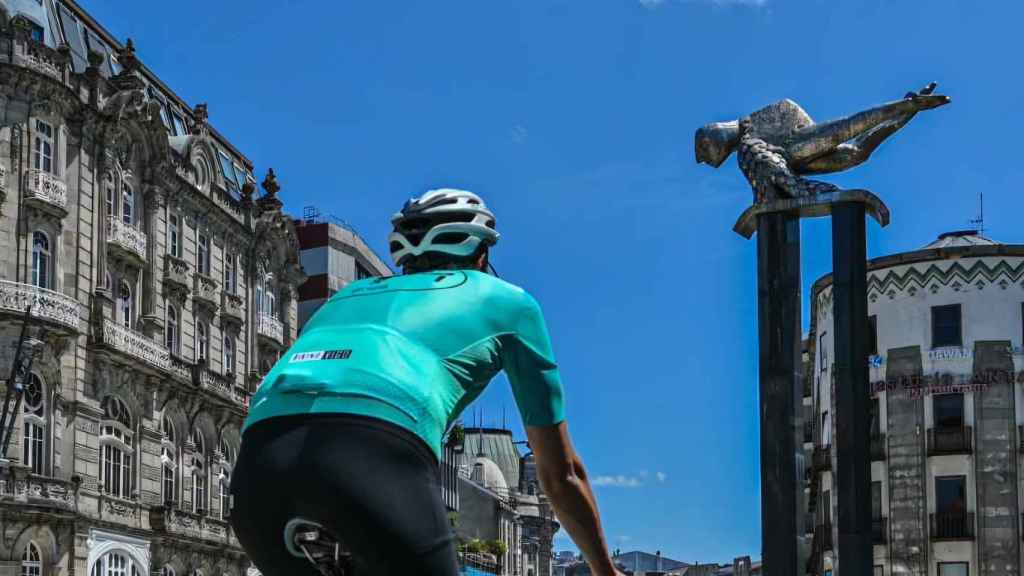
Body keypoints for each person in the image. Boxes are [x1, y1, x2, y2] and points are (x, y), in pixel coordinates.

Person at [230, 188, 624, 576]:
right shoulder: (511, 302)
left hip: (259, 463)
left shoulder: (346, 297)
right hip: (373, 449)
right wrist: (605, 571)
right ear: (482, 254)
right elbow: (561, 475)